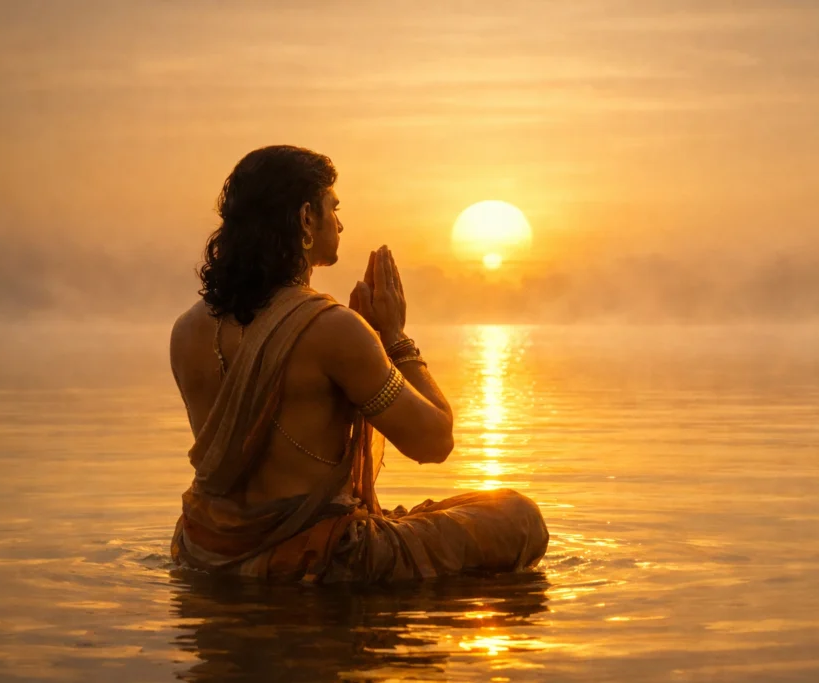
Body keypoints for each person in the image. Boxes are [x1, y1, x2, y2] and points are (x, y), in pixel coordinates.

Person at [169, 145, 548, 582]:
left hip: (207, 549)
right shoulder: (332, 329)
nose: (341, 222)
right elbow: (434, 441)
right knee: (518, 517)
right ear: (306, 219)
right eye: (333, 206)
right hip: (320, 558)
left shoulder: (187, 331)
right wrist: (394, 337)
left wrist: (363, 348)